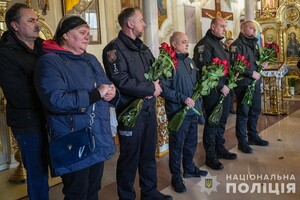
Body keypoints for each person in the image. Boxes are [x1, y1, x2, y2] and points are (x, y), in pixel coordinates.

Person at [34, 15, 118, 199]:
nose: (87, 37)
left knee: (93, 189)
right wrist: (96, 94)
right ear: (65, 35)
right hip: (73, 136)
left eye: (88, 33)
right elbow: (56, 101)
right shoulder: (49, 62)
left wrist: (112, 93)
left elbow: (105, 85)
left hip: (98, 133)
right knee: (77, 193)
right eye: (82, 33)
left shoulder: (91, 59)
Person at [102, 7, 172, 200]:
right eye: (141, 20)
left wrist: (158, 87)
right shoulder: (113, 50)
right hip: (130, 112)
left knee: (148, 155)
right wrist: (150, 89)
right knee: (129, 159)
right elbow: (121, 81)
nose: (145, 24)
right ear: (130, 23)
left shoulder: (142, 47)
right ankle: (126, 197)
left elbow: (156, 71)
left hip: (149, 109)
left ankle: (149, 192)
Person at [0, 3, 49, 199]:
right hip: (28, 122)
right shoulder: (4, 54)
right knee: (38, 174)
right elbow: (18, 95)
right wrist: (55, 96)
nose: (37, 24)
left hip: (51, 117)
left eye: (36, 20)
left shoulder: (42, 47)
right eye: (30, 20)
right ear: (15, 25)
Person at [160, 32, 207, 193]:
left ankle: (189, 168)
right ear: (174, 44)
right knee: (176, 147)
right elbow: (163, 89)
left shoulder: (189, 62)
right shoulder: (168, 63)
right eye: (184, 42)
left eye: (187, 41)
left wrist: (199, 108)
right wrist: (182, 98)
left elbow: (195, 86)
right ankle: (176, 177)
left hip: (192, 112)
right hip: (177, 113)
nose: (187, 44)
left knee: (191, 143)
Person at [193, 17, 237, 170]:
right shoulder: (204, 45)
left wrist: (230, 80)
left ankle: (220, 149)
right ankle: (210, 156)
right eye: (222, 26)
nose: (225, 29)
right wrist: (220, 86)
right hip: (213, 91)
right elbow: (203, 70)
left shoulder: (219, 44)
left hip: (225, 90)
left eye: (225, 26)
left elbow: (225, 68)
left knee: (222, 121)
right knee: (213, 123)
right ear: (213, 27)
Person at [230, 20, 269, 154]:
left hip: (255, 83)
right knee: (243, 113)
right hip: (244, 84)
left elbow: (256, 60)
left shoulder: (255, 44)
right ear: (243, 30)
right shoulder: (236, 45)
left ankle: (253, 136)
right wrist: (250, 73)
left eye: (254, 28)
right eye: (251, 28)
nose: (254, 30)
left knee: (255, 109)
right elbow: (235, 65)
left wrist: (262, 64)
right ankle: (242, 141)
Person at [224, 37, 236, 114]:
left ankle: (230, 108)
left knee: (232, 93)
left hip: (232, 74)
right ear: (227, 44)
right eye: (232, 43)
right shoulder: (225, 52)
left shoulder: (233, 52)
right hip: (226, 75)